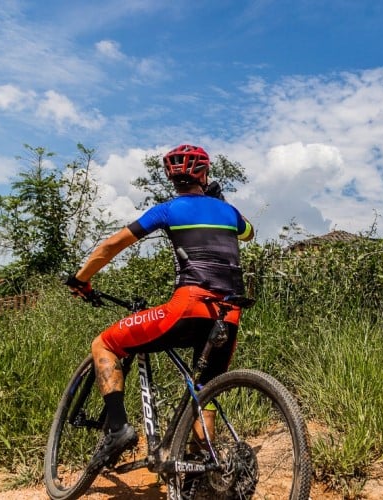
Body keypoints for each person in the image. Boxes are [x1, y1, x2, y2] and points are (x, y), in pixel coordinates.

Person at [65, 144, 254, 466]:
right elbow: (249, 233)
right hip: (229, 313)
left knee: (105, 344)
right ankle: (204, 468)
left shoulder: (168, 210)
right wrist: (218, 201)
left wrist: (81, 279)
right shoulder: (231, 213)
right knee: (204, 392)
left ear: (170, 177)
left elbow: (112, 245)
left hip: (188, 307)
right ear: (205, 175)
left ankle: (118, 428)